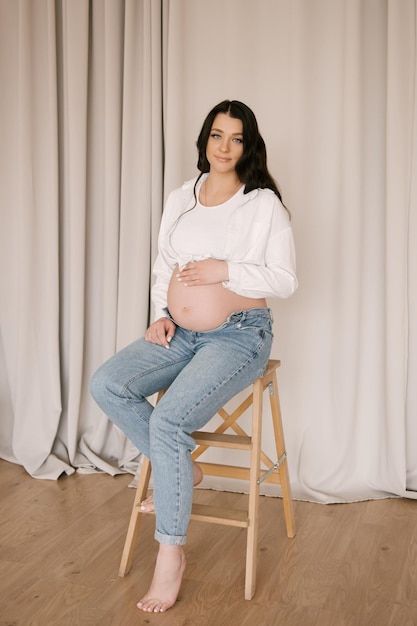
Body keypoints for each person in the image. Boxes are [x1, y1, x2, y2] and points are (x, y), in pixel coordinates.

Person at [90, 99, 298, 613]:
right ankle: (181, 464)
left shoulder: (262, 203)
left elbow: (286, 280)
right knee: (108, 384)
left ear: (248, 146)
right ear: (204, 140)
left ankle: (171, 556)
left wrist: (223, 269)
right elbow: (164, 263)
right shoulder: (182, 196)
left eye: (236, 139)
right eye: (216, 136)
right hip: (179, 332)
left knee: (168, 423)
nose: (224, 148)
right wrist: (162, 310)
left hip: (239, 335)